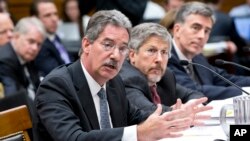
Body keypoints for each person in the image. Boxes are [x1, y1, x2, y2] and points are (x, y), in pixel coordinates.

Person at [34, 9, 212, 141]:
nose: (116, 55)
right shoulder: (57, 86)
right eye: (108, 45)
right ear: (87, 45)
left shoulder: (113, 82)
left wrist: (173, 116)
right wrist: (138, 133)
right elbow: (74, 138)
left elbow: (137, 116)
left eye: (122, 48)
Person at [168, 1, 250, 102]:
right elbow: (194, 91)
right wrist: (243, 92)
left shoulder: (198, 57)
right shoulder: (164, 56)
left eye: (206, 31)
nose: (201, 36)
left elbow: (226, 79)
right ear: (177, 30)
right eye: (195, 28)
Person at [119, 22, 206, 113]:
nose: (159, 59)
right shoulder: (127, 79)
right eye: (151, 51)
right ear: (132, 55)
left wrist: (192, 105)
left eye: (164, 52)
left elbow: (194, 95)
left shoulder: (166, 76)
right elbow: (151, 112)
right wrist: (183, 110)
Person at [0, 17, 45, 98]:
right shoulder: (5, 60)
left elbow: (38, 88)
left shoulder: (27, 57)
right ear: (16, 36)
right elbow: (13, 98)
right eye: (31, 41)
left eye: (39, 44)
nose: (35, 48)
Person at [30, 0, 73, 76]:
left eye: (55, 14)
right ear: (35, 19)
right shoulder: (38, 45)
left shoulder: (54, 37)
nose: (54, 19)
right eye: (47, 15)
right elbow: (57, 74)